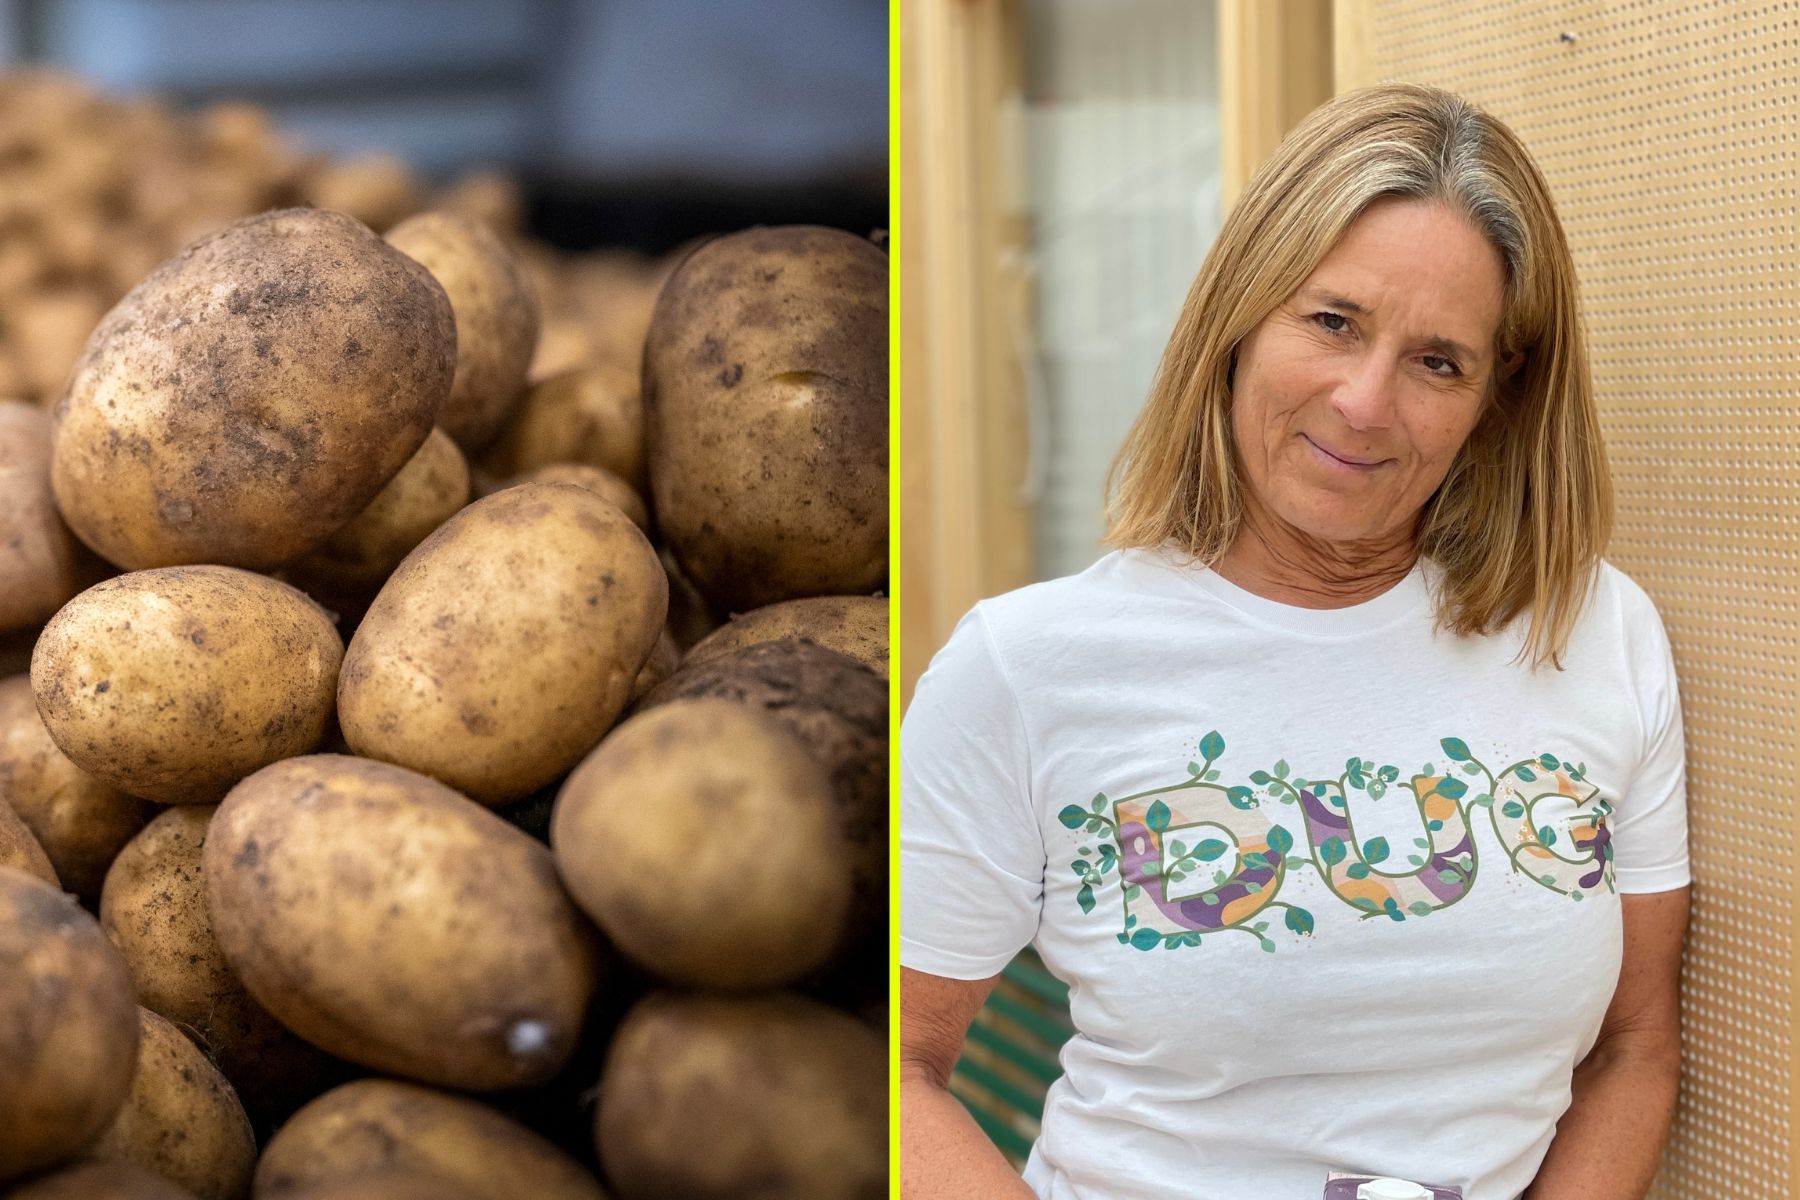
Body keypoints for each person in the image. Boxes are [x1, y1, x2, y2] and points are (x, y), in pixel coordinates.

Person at [899, 83, 1690, 1200]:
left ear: (1497, 397)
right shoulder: (1026, 667)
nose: (1365, 403)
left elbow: (1633, 1049)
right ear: (1239, 316)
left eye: (1438, 362)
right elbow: (893, 1071)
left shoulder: (1596, 633)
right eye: (1333, 323)